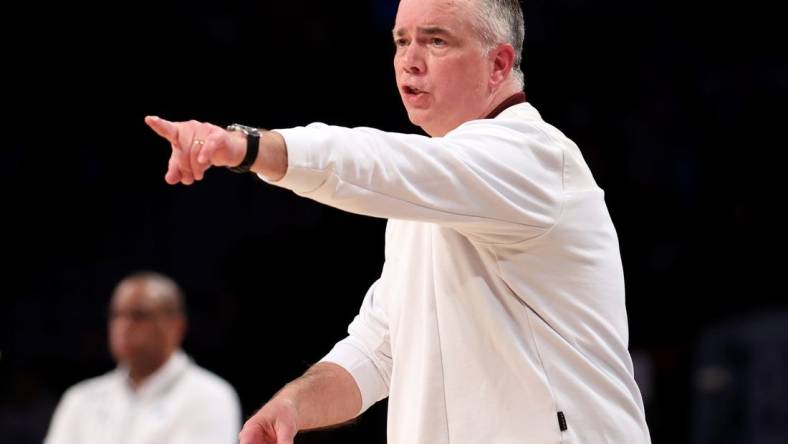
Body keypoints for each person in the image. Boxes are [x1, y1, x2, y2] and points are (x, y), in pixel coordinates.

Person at [145, 0, 652, 443]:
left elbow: (380, 161)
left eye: (436, 41)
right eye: (401, 40)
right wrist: (295, 405)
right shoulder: (429, 191)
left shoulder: (536, 159)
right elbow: (377, 350)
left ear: (498, 64)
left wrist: (249, 146)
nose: (409, 61)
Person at [44, 271, 241, 444]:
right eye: (116, 315)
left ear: (176, 326)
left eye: (138, 315)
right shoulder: (81, 399)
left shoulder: (210, 396)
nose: (123, 326)